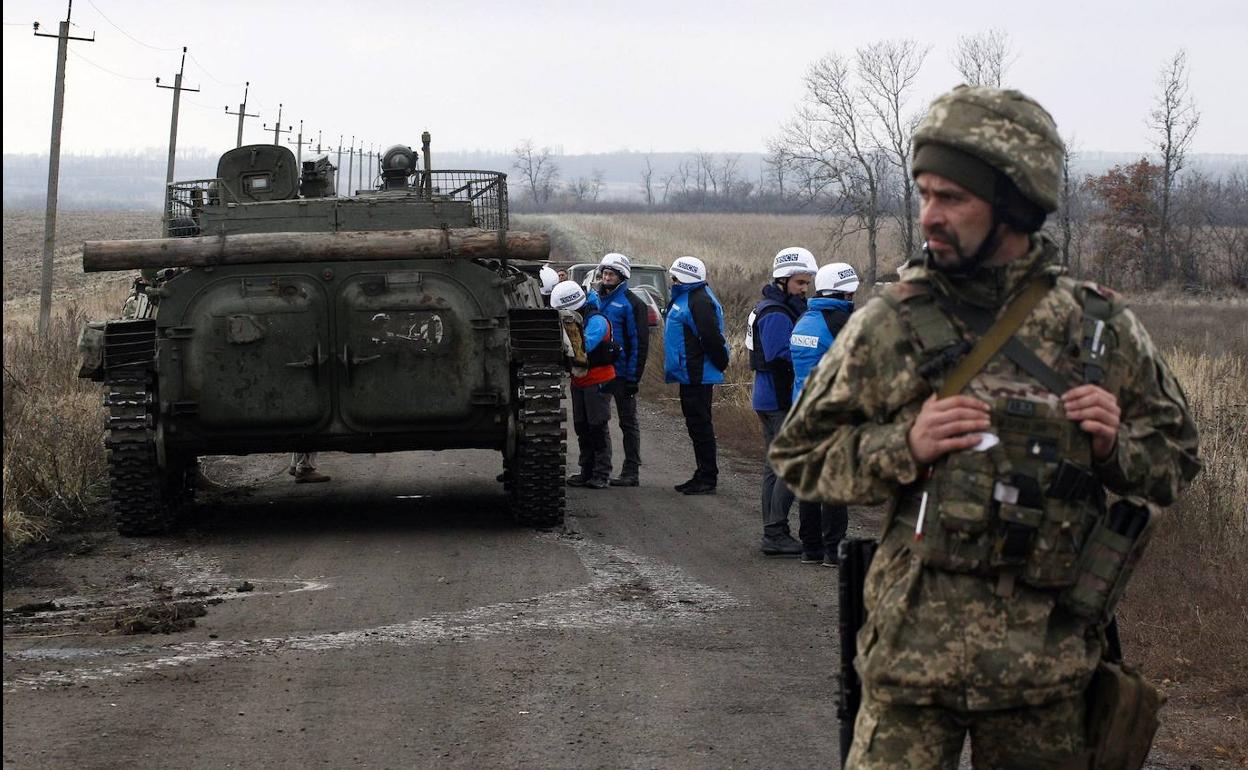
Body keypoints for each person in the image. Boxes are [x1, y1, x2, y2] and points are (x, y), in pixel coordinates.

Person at [770, 85, 1200, 769]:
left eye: (952, 198)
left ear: (1015, 205)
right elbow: (797, 455)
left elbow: (1176, 460)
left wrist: (1117, 447)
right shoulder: (894, 323)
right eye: (924, 194)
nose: (929, 217)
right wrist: (901, 445)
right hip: (911, 668)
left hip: (1047, 677)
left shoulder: (1095, 329)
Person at [783, 261, 858, 565]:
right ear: (845, 293)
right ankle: (833, 549)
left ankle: (810, 548)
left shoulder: (805, 319)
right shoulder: (840, 323)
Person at [749, 247, 817, 556]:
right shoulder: (775, 313)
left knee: (773, 466)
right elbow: (780, 355)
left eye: (807, 283)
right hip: (777, 398)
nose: (805, 289)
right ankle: (775, 533)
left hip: (768, 397)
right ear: (783, 280)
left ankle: (774, 530)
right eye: (800, 283)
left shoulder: (779, 307)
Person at [663, 256, 729, 495]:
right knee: (695, 425)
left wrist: (721, 363)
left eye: (674, 276)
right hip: (689, 373)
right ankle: (701, 473)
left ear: (685, 277)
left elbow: (711, 337)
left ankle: (707, 477)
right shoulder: (687, 296)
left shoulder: (698, 301)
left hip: (697, 373)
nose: (671, 280)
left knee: (700, 426)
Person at [551, 280, 617, 490]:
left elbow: (582, 348)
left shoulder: (596, 321)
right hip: (580, 380)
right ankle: (586, 470)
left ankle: (601, 473)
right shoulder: (580, 319)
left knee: (597, 426)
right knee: (582, 426)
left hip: (598, 380)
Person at [595, 252, 650, 487]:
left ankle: (631, 471)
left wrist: (633, 377)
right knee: (598, 421)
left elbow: (639, 342)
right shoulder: (595, 299)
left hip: (622, 374)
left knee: (627, 423)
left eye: (611, 274)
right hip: (600, 371)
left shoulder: (632, 303)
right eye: (604, 273)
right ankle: (598, 469)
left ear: (621, 276)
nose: (606, 278)